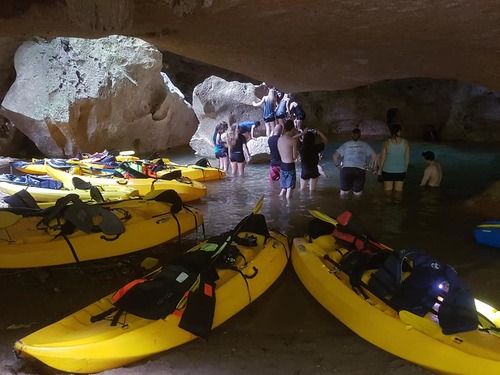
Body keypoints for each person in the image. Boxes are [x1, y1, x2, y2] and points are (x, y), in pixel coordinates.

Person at [333, 128, 377, 196]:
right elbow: (374, 155)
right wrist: (370, 165)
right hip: (359, 170)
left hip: (346, 169)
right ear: (360, 135)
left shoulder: (346, 144)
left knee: (344, 193)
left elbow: (335, 156)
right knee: (357, 193)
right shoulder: (365, 145)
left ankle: (343, 205)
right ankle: (357, 205)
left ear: (351, 135)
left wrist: (338, 165)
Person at [377, 124, 410, 192]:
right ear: (399, 131)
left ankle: (388, 202)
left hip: (388, 170)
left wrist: (379, 171)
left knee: (387, 192)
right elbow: (407, 159)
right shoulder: (406, 143)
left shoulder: (386, 143)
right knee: (398, 193)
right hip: (401, 171)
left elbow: (382, 158)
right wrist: (405, 171)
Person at [277, 119, 299, 198]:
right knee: (290, 189)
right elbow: (294, 157)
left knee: (284, 188)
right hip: (290, 166)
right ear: (292, 129)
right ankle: (288, 207)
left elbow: (280, 153)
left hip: (282, 165)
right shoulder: (293, 141)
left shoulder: (279, 139)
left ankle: (280, 202)